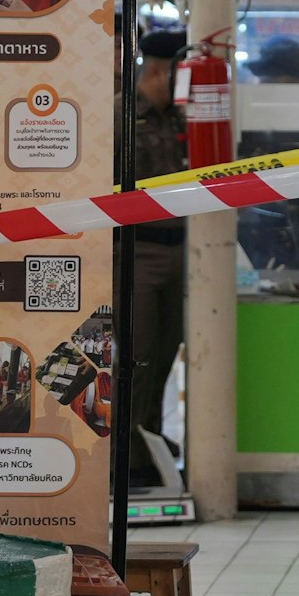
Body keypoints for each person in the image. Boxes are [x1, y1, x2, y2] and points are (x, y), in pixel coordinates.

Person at [125, 28, 188, 488]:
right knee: (138, 354)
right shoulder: (120, 113)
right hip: (136, 249)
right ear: (160, 70)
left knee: (167, 353)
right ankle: (125, 456)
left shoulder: (182, 118)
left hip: (182, 250)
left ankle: (150, 443)